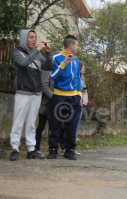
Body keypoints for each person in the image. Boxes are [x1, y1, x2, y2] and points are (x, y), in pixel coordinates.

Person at [9, 29, 53, 161]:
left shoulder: (38, 54)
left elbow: (47, 67)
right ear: (24, 39)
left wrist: (48, 54)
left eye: (35, 37)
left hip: (37, 93)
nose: (34, 40)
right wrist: (37, 50)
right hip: (23, 92)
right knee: (18, 122)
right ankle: (15, 148)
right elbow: (23, 63)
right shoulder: (17, 53)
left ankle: (31, 149)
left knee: (31, 123)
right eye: (31, 37)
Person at [47, 35, 81, 160]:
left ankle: (70, 150)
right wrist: (63, 64)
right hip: (59, 96)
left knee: (71, 125)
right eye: (77, 45)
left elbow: (77, 78)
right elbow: (53, 77)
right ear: (71, 46)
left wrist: (79, 94)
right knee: (55, 124)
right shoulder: (56, 57)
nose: (78, 47)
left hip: (73, 97)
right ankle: (53, 150)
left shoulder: (76, 59)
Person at [34, 70, 54, 158]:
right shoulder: (47, 70)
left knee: (53, 128)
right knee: (41, 126)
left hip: (55, 105)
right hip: (45, 103)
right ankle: (36, 148)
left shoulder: (61, 68)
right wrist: (54, 97)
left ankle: (52, 149)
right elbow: (44, 86)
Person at [73, 62, 88, 156]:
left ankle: (72, 147)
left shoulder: (82, 78)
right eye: (83, 68)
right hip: (75, 104)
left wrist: (84, 102)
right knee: (72, 126)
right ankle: (70, 148)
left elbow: (84, 91)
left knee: (76, 127)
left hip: (81, 105)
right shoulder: (75, 77)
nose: (84, 70)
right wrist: (78, 101)